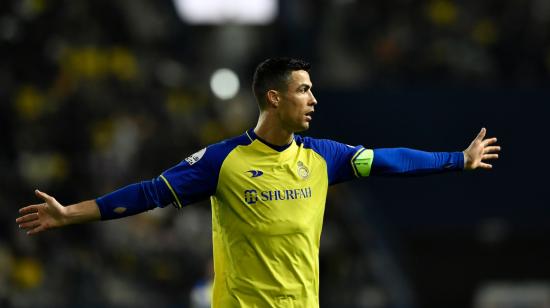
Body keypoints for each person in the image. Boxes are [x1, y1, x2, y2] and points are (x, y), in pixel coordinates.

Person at [16, 58, 500, 307]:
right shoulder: (221, 161)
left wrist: (456, 159)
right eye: (303, 90)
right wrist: (70, 213)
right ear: (274, 97)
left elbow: (390, 160)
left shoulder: (324, 158)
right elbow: (148, 193)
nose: (313, 99)